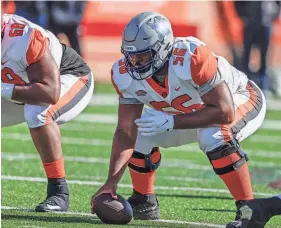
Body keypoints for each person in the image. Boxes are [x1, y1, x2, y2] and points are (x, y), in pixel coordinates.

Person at [91, 12, 266, 228]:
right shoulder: (123, 74)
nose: (134, 62)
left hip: (241, 98)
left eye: (142, 56)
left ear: (162, 48)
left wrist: (172, 122)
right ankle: (143, 201)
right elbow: (125, 131)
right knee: (139, 130)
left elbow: (224, 112)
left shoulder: (191, 58)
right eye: (130, 56)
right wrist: (111, 182)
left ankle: (250, 210)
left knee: (213, 135)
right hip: (185, 113)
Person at [1, 14, 94, 212]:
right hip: (20, 86)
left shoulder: (24, 37)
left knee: (38, 113)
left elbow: (49, 92)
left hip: (68, 78)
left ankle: (59, 191)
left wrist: (4, 89)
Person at [234, 1, 281, 91]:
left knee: (264, 56)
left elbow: (278, 3)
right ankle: (244, 84)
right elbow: (238, 3)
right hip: (250, 25)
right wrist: (243, 16)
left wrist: (272, 17)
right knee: (246, 55)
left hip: (265, 25)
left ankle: (263, 86)